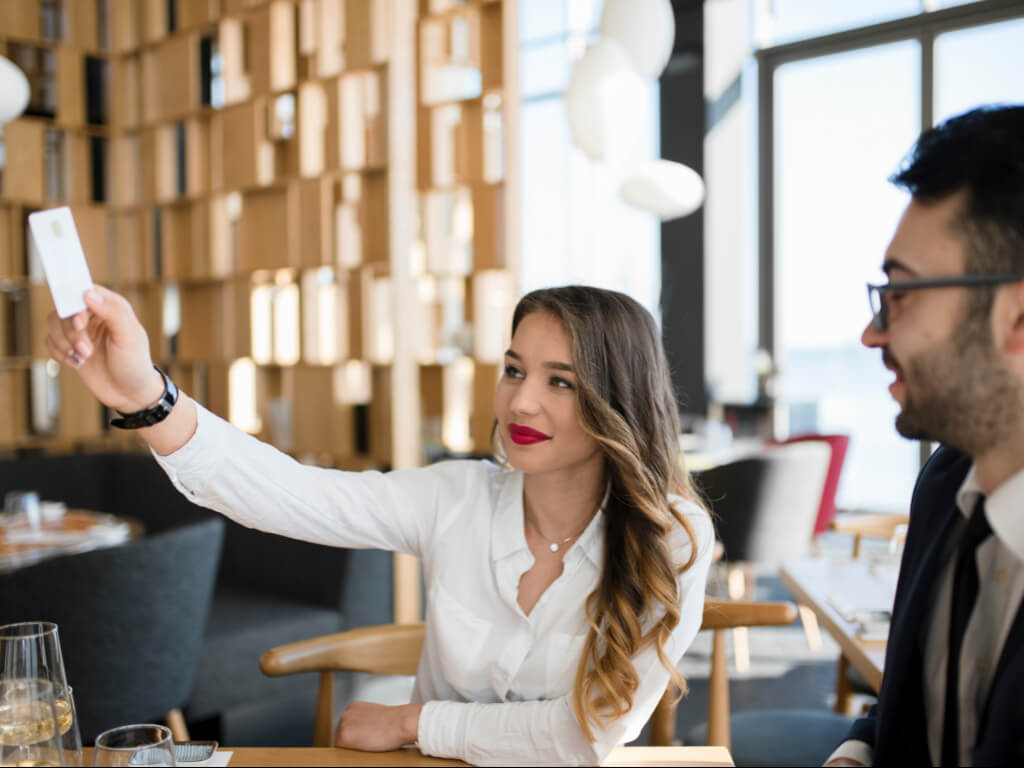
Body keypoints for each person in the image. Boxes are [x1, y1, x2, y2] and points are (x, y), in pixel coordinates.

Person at [47, 283, 713, 765]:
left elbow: (586, 736)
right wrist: (147, 397)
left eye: (560, 381)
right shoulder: (456, 496)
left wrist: (412, 723)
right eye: (514, 370)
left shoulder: (672, 536)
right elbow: (288, 494)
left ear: (619, 398)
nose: (521, 400)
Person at [827, 105, 1024, 766]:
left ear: (1017, 317)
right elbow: (913, 703)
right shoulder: (945, 483)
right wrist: (855, 756)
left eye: (902, 295)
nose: (871, 333)